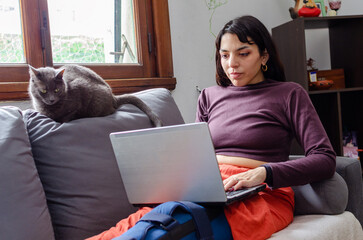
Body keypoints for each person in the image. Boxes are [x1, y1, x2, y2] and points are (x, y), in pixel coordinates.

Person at [88, 15, 336, 240]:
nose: (232, 64)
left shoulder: (289, 94)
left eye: (243, 53)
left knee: (168, 230)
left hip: (260, 193)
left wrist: (265, 173)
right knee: (131, 226)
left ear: (264, 55)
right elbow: (196, 157)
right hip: (207, 189)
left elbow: (324, 159)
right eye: (225, 55)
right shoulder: (209, 96)